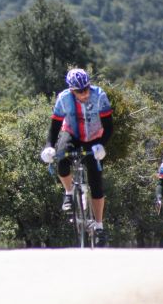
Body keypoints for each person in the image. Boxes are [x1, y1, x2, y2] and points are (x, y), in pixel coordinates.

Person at [40, 68, 113, 247]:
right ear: (72, 90)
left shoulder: (100, 96)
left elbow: (109, 125)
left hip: (95, 136)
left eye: (87, 88)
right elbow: (55, 125)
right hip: (72, 133)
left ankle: (99, 225)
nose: (85, 93)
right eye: (80, 91)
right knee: (61, 159)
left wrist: (101, 144)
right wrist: (49, 146)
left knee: (96, 181)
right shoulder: (63, 98)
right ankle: (69, 192)